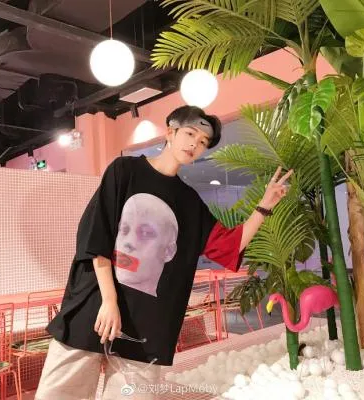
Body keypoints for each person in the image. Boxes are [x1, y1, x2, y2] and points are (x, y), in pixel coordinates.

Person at [35, 105, 292, 400]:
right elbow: (97, 236)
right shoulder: (124, 171)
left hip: (147, 324)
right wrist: (109, 301)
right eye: (190, 134)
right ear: (170, 131)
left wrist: (264, 206)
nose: (195, 144)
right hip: (95, 306)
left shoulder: (189, 202)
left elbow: (228, 244)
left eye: (203, 142)